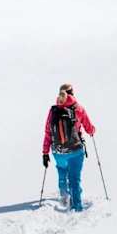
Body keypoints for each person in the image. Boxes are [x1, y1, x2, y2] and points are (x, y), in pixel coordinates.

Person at [42, 83, 96, 212]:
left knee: (62, 171)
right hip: (75, 150)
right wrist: (92, 130)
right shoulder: (79, 108)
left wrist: (45, 152)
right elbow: (89, 129)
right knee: (74, 179)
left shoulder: (53, 110)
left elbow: (48, 132)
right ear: (72, 93)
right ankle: (76, 206)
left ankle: (64, 196)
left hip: (58, 151)